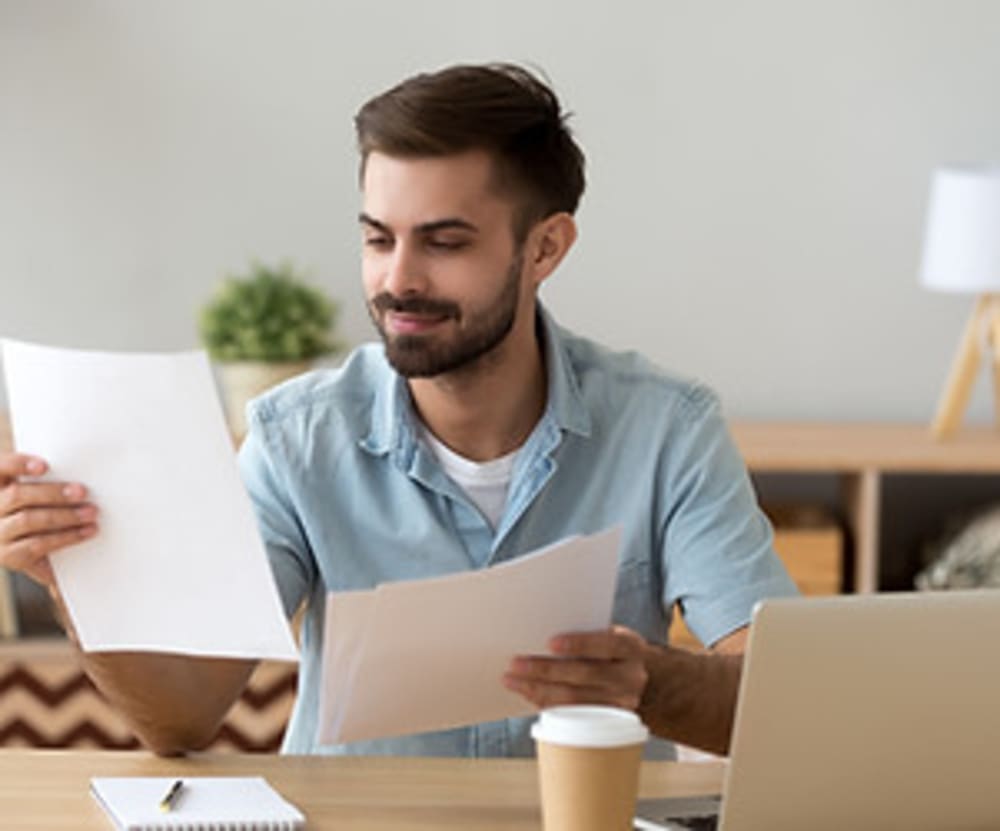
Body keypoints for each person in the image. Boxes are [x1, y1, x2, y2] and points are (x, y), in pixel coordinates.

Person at [0, 63, 796, 759]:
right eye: (379, 239)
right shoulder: (293, 439)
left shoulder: (667, 429)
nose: (397, 281)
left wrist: (654, 684)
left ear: (546, 248)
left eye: (444, 243)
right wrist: (74, 583)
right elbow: (184, 716)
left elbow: (784, 701)